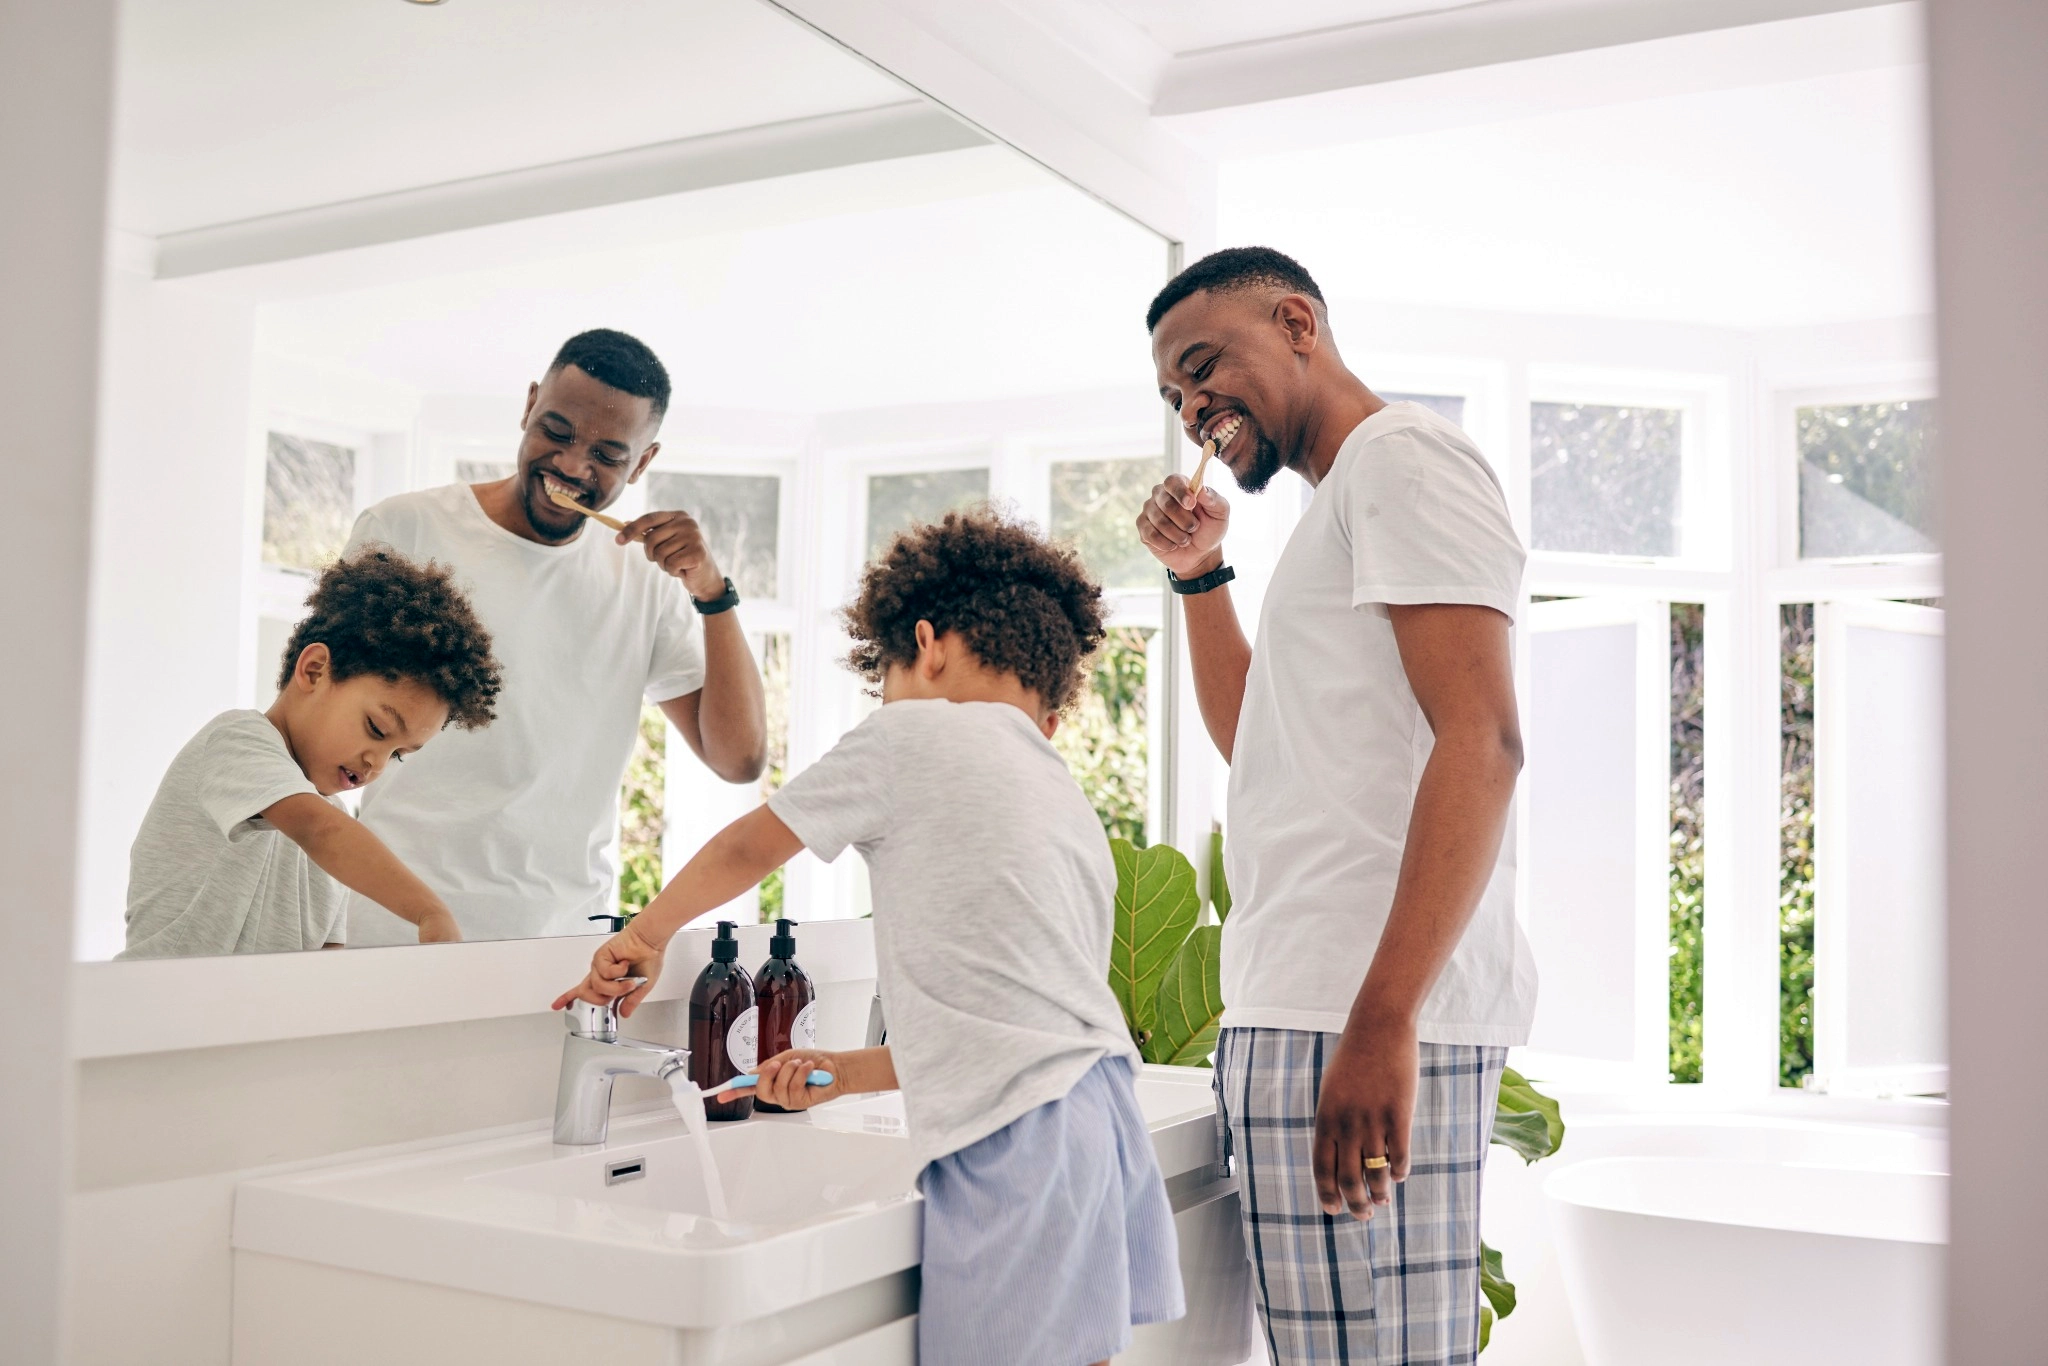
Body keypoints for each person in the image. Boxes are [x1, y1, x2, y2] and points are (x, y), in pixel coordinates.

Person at [555, 509, 1185, 1366]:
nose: (883, 699)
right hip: (1097, 1120)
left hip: (1017, 1138)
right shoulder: (1061, 795)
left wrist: (650, 931)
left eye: (883, 677)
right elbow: (1013, 1019)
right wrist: (852, 1073)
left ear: (926, 645)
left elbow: (752, 842)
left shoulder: (908, 734)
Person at [1136, 247, 1532, 1364]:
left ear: (1296, 322)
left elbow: (1484, 740)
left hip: (1354, 1009)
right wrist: (1199, 575)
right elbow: (1256, 740)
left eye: (1204, 366)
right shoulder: (1336, 506)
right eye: (1173, 396)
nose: (1192, 407)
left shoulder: (1400, 460)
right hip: (1307, 1003)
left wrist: (1382, 1018)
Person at [342, 328, 767, 944]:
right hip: (395, 923)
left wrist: (711, 591)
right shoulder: (404, 529)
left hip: (563, 938)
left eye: (608, 455)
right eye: (557, 432)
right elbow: (322, 723)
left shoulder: (644, 579)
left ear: (643, 462)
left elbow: (740, 759)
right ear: (529, 406)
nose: (572, 466)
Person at [121, 550, 502, 958]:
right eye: (376, 729)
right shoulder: (237, 742)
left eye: (398, 754)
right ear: (315, 670)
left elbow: (326, 963)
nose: (376, 763)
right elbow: (320, 831)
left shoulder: (337, 829)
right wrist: (429, 911)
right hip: (159, 1009)